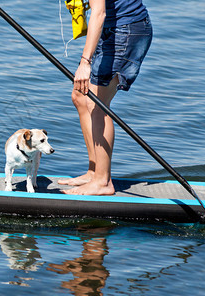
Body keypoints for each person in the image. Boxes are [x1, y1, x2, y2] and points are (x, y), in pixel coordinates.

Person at [59, 0, 153, 195]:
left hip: (126, 30)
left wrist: (86, 62)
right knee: (80, 96)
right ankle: (94, 171)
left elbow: (99, 13)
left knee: (97, 104)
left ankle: (103, 181)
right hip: (111, 29)